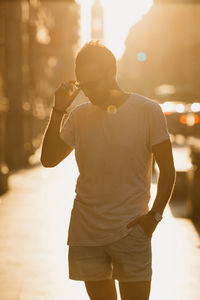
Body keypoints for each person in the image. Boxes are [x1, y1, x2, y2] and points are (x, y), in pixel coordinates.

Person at [40, 40, 176, 300]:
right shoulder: (79, 116)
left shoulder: (149, 111)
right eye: (83, 85)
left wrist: (154, 218)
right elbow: (48, 159)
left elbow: (168, 171)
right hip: (86, 232)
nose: (87, 91)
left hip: (131, 230)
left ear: (111, 74)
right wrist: (58, 109)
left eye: (93, 84)